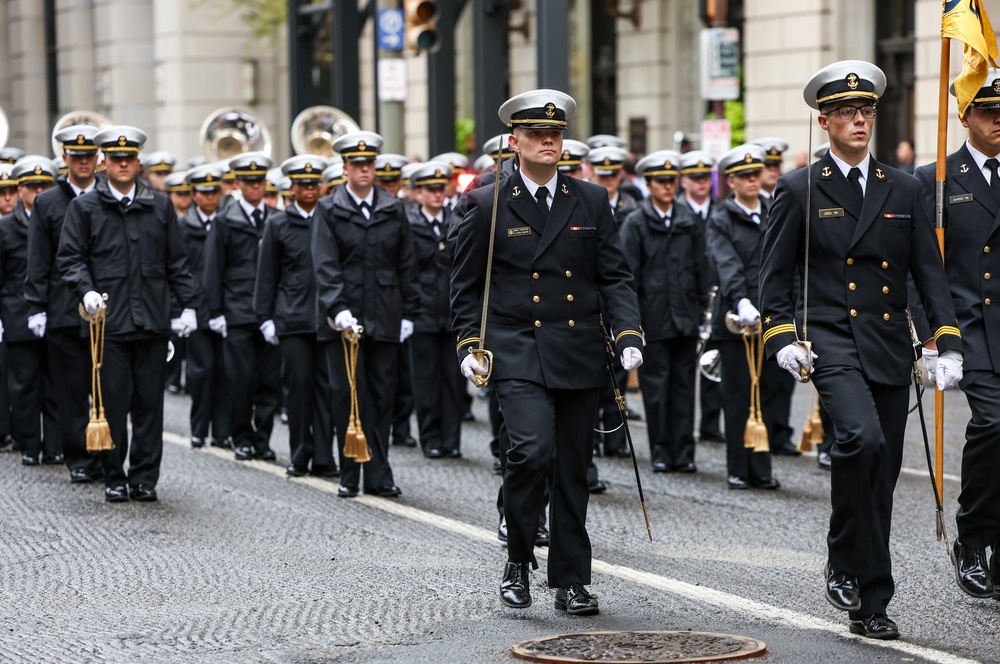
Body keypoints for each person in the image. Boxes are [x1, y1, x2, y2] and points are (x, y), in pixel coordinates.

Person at [759, 61, 963, 640]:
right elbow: (774, 276)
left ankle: (859, 582)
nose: (859, 120)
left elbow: (928, 271)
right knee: (860, 439)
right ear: (823, 120)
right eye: (847, 112)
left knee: (882, 473)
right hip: (828, 337)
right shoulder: (799, 186)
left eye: (867, 110)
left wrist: (943, 339)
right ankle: (863, 579)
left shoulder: (904, 186)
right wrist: (780, 335)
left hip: (886, 341)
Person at [451, 89, 643, 615]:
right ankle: (517, 559)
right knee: (530, 452)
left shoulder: (590, 199)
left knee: (574, 468)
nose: (549, 142)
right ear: (515, 142)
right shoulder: (487, 201)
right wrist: (469, 343)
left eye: (556, 134)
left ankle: (572, 580)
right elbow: (468, 285)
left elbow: (615, 276)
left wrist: (628, 334)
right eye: (538, 134)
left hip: (578, 347)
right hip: (515, 347)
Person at [58, 125, 202, 503]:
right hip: (110, 325)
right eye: (116, 159)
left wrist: (188, 306)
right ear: (104, 162)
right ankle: (114, 474)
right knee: (113, 403)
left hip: (152, 321)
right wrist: (85, 289)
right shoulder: (85, 207)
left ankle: (144, 477)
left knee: (150, 406)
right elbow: (71, 258)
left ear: (138, 162)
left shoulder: (159, 206)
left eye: (129, 158)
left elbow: (177, 263)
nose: (123, 164)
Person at [914, 71, 1000, 600]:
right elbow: (915, 265)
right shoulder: (936, 179)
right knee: (994, 425)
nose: (999, 122)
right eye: (989, 112)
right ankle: (973, 538)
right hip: (968, 328)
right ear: (965, 116)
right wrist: (928, 334)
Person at [312, 130, 419, 499]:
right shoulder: (328, 209)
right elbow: (325, 265)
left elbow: (406, 264)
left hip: (385, 314)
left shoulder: (392, 207)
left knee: (382, 394)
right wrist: (337, 308)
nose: (364, 170)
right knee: (347, 395)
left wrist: (409, 312)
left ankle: (378, 473)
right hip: (343, 322)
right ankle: (349, 471)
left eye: (369, 163)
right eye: (357, 164)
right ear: (344, 167)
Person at [620, 150, 709, 474]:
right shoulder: (636, 223)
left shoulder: (689, 221)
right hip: (654, 318)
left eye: (672, 181)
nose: (668, 187)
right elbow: (629, 277)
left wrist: (702, 314)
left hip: (685, 317)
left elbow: (702, 269)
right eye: (661, 181)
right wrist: (635, 322)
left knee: (684, 389)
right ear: (649, 184)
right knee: (656, 391)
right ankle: (660, 451)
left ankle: (684, 452)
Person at [24, 124, 103, 483]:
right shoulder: (47, 201)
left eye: (88, 155)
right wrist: (36, 305)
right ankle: (80, 459)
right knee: (71, 391)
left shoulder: (109, 195)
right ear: (64, 157)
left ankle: (106, 455)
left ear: (97, 158)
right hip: (61, 308)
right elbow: (38, 258)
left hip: (105, 310)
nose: (83, 161)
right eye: (76, 155)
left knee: (106, 388)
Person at [255, 154, 338, 478]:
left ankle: (323, 457)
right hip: (292, 320)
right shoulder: (277, 224)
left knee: (328, 390)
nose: (309, 189)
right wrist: (265, 316)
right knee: (298, 390)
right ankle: (300, 455)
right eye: (303, 184)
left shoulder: (330, 217)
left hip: (326, 318)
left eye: (314, 184)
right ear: (292, 187)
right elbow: (268, 274)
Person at [706, 145, 782, 490]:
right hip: (737, 318)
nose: (753, 180)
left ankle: (761, 468)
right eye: (745, 176)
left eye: (757, 173)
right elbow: (727, 265)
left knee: (766, 392)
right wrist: (740, 300)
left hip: (771, 314)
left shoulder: (774, 210)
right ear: (731, 181)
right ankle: (739, 466)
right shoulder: (721, 218)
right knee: (738, 395)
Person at [203, 151, 281, 462]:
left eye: (260, 181)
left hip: (269, 314)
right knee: (240, 380)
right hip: (236, 312)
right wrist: (215, 312)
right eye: (249, 182)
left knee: (269, 381)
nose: (255, 187)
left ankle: (262, 439)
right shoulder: (225, 221)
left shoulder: (276, 218)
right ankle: (242, 436)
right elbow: (214, 269)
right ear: (239, 184)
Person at [0, 156, 60, 466]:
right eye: (31, 187)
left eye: (44, 186)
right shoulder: (5, 227)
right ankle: (29, 446)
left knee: (54, 386)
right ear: (20, 190)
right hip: (18, 315)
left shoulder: (60, 219)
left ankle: (54, 447)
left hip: (54, 315)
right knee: (24, 388)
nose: (38, 192)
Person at [406, 162, 464, 459]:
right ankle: (430, 437)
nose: (437, 194)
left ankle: (451, 439)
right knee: (426, 380)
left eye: (441, 188)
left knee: (453, 382)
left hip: (452, 313)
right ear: (419, 193)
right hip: (423, 313)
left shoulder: (455, 221)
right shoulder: (410, 224)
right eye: (431, 189)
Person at [178, 164, 231, 449]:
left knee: (224, 373)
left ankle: (221, 432)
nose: (209, 198)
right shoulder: (184, 226)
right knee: (200, 372)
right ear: (194, 195)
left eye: (213, 192)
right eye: (203, 192)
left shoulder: (226, 223)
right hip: (196, 308)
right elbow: (178, 269)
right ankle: (198, 429)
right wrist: (180, 310)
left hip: (222, 308)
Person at [676, 150, 725, 445]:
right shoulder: (679, 210)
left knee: (713, 361)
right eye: (695, 178)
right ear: (685, 182)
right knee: (683, 368)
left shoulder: (720, 209)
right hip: (685, 296)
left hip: (715, 295)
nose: (701, 183)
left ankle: (710, 424)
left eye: (705, 177)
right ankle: (682, 428)